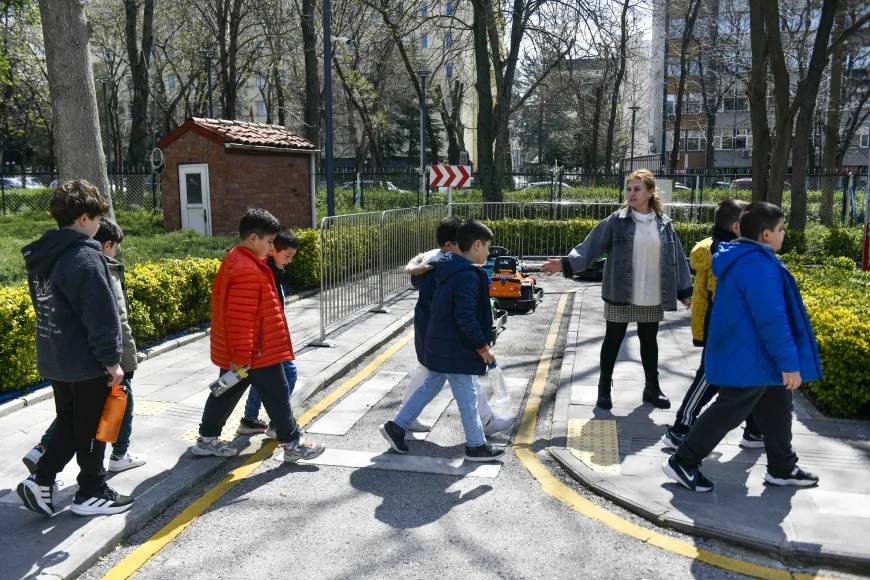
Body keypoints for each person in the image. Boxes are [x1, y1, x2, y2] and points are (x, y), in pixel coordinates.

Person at [663, 202, 822, 492]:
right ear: (765, 235)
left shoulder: (745, 258)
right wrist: (789, 363)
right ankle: (683, 461)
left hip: (751, 354)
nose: (783, 235)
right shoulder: (758, 266)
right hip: (752, 356)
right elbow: (772, 319)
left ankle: (782, 467)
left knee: (777, 407)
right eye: (780, 230)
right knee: (729, 410)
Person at [16, 180, 134, 517]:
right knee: (94, 427)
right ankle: (90, 491)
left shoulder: (44, 254)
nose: (99, 226)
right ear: (83, 218)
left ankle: (43, 480)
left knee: (72, 422)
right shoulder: (84, 256)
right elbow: (101, 316)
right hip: (85, 362)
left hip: (56, 356)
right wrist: (111, 361)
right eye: (97, 218)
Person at [541, 169, 693, 410]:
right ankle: (603, 387)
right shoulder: (616, 221)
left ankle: (651, 387)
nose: (631, 193)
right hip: (621, 290)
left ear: (651, 192)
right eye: (629, 189)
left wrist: (685, 290)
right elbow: (589, 248)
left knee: (649, 339)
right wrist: (562, 264)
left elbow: (677, 256)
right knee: (613, 338)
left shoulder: (664, 224)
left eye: (637, 189)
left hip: (652, 291)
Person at [192, 208, 325, 463]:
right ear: (254, 238)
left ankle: (207, 439)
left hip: (250, 351)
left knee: (225, 391)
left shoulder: (240, 260)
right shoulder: (247, 270)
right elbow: (240, 318)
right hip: (257, 352)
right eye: (270, 242)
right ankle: (293, 443)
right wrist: (242, 356)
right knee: (277, 393)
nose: (272, 247)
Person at [22, 218, 147, 475]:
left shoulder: (51, 259)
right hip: (93, 361)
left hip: (60, 357)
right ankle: (96, 475)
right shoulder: (91, 263)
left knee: (73, 416)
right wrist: (118, 360)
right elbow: (113, 319)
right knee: (96, 415)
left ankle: (46, 464)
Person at [380, 219, 506, 462]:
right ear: (477, 245)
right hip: (455, 347)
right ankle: (476, 446)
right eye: (488, 246)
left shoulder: (448, 266)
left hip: (440, 342)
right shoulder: (467, 275)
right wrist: (482, 347)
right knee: (467, 396)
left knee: (432, 384)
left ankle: (397, 427)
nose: (489, 252)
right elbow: (465, 317)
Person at [661, 200, 764, 451]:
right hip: (724, 328)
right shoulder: (725, 253)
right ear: (737, 226)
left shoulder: (729, 249)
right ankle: (680, 429)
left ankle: (755, 430)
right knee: (710, 377)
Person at [402, 216, 514, 435]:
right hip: (443, 334)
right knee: (463, 377)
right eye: (458, 243)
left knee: (428, 375)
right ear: (448, 246)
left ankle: (401, 421)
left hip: (434, 331)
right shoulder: (444, 268)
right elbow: (460, 311)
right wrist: (480, 345)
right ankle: (484, 426)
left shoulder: (440, 264)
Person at [236, 229, 300, 435]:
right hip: (266, 339)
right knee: (288, 374)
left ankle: (250, 419)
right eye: (287, 255)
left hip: (270, 337)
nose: (289, 261)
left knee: (260, 379)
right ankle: (278, 423)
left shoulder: (274, 270)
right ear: (272, 250)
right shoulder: (263, 271)